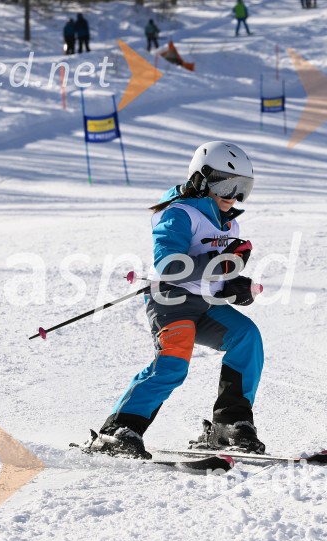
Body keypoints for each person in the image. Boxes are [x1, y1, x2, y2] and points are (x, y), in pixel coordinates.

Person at [82, 142, 264, 459]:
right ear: (200, 178)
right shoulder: (179, 213)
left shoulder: (230, 222)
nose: (231, 194)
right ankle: (118, 431)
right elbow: (169, 264)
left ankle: (230, 425)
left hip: (205, 303)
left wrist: (234, 285)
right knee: (173, 365)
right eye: (224, 183)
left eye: (241, 188)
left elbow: (215, 273)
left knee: (246, 337)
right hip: (170, 300)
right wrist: (218, 264)